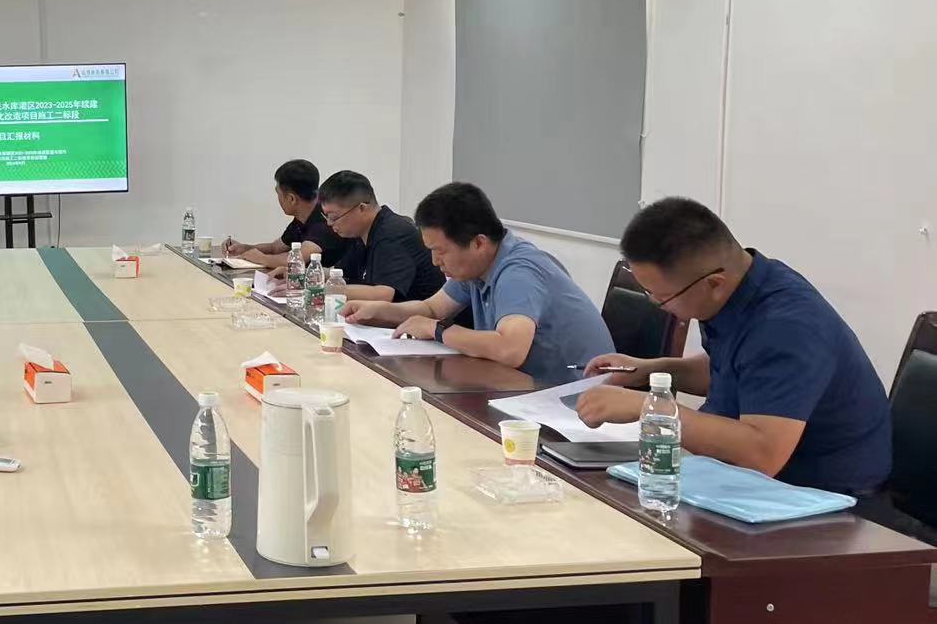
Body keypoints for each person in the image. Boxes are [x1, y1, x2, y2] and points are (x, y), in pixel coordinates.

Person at [575, 197, 890, 494]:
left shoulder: (785, 326)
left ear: (714, 284)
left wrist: (647, 407)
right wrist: (650, 371)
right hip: (742, 474)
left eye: (663, 297)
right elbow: (735, 370)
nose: (657, 305)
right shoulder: (741, 287)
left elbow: (762, 455)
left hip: (823, 496)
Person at [342, 181, 612, 384]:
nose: (435, 262)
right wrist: (379, 310)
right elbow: (432, 309)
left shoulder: (518, 273)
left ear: (478, 243)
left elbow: (510, 349)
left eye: (440, 251)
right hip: (524, 386)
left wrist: (438, 331)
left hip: (574, 399)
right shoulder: (478, 266)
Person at [312, 170, 446, 303]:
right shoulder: (360, 233)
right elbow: (339, 273)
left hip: (419, 313)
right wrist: (311, 275)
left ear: (361, 208)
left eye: (333, 217)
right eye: (326, 216)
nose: (329, 223)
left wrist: (322, 290)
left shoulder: (393, 234)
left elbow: (383, 294)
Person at [222, 158, 345, 269]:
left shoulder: (325, 220)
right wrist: (245, 248)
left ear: (291, 199)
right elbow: (276, 248)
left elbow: (295, 260)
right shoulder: (302, 217)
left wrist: (262, 258)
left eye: (278, 193)